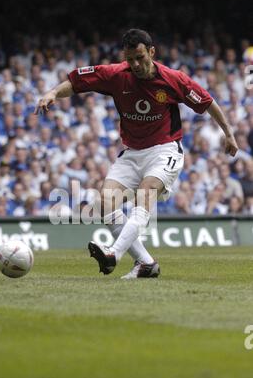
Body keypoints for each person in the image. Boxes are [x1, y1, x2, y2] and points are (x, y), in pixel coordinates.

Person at [35, 29, 238, 279]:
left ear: (151, 52)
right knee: (104, 202)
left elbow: (207, 102)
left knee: (145, 192)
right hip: (132, 153)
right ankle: (146, 263)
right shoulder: (116, 75)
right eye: (130, 59)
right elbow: (77, 82)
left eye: (140, 57)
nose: (136, 64)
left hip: (165, 149)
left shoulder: (173, 79)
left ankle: (114, 254)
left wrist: (228, 134)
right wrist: (53, 93)